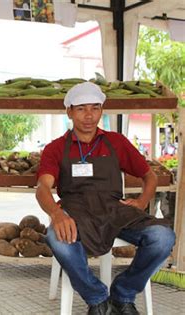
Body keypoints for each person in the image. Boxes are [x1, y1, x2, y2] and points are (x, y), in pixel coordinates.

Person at [35, 82, 175, 315]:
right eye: (81, 109)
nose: (89, 116)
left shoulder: (116, 142)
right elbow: (42, 187)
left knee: (163, 237)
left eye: (95, 108)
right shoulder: (56, 148)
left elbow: (149, 176)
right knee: (56, 238)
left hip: (115, 210)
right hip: (77, 212)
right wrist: (57, 214)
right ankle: (97, 297)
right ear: (69, 112)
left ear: (102, 110)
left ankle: (123, 293)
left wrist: (141, 203)